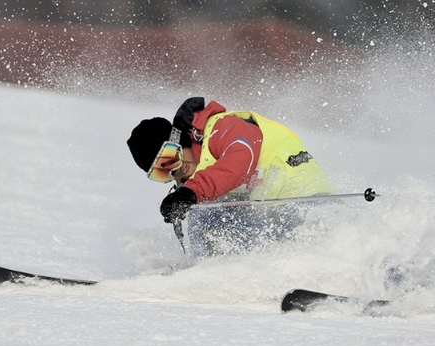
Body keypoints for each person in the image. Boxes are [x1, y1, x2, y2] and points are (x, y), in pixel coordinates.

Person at [127, 97, 335, 257]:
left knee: (204, 215)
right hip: (273, 214)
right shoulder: (198, 177)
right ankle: (219, 273)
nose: (174, 171)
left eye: (169, 159)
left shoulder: (220, 128)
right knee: (205, 216)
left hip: (308, 204)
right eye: (161, 173)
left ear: (179, 140)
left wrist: (191, 193)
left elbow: (240, 160)